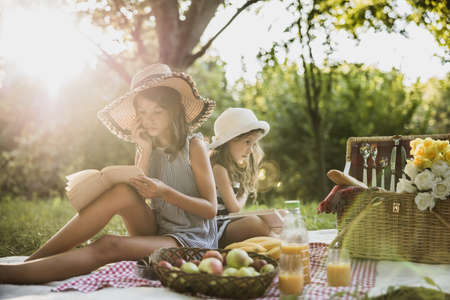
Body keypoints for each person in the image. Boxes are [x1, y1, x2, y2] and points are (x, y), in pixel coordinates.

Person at [0, 64, 217, 284]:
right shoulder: (147, 145)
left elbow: (211, 209)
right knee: (123, 191)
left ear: (174, 111)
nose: (148, 119)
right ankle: (32, 262)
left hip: (191, 242)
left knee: (108, 244)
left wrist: (165, 192)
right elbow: (138, 196)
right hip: (159, 230)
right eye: (142, 112)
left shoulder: (194, 146)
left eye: (156, 111)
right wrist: (145, 148)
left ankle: (10, 275)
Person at [209, 107, 273, 248]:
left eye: (254, 144)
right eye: (247, 142)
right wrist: (245, 190)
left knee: (270, 223)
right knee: (256, 224)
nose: (250, 150)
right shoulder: (218, 168)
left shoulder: (232, 167)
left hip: (226, 223)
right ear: (229, 141)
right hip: (215, 228)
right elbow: (235, 209)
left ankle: (276, 241)